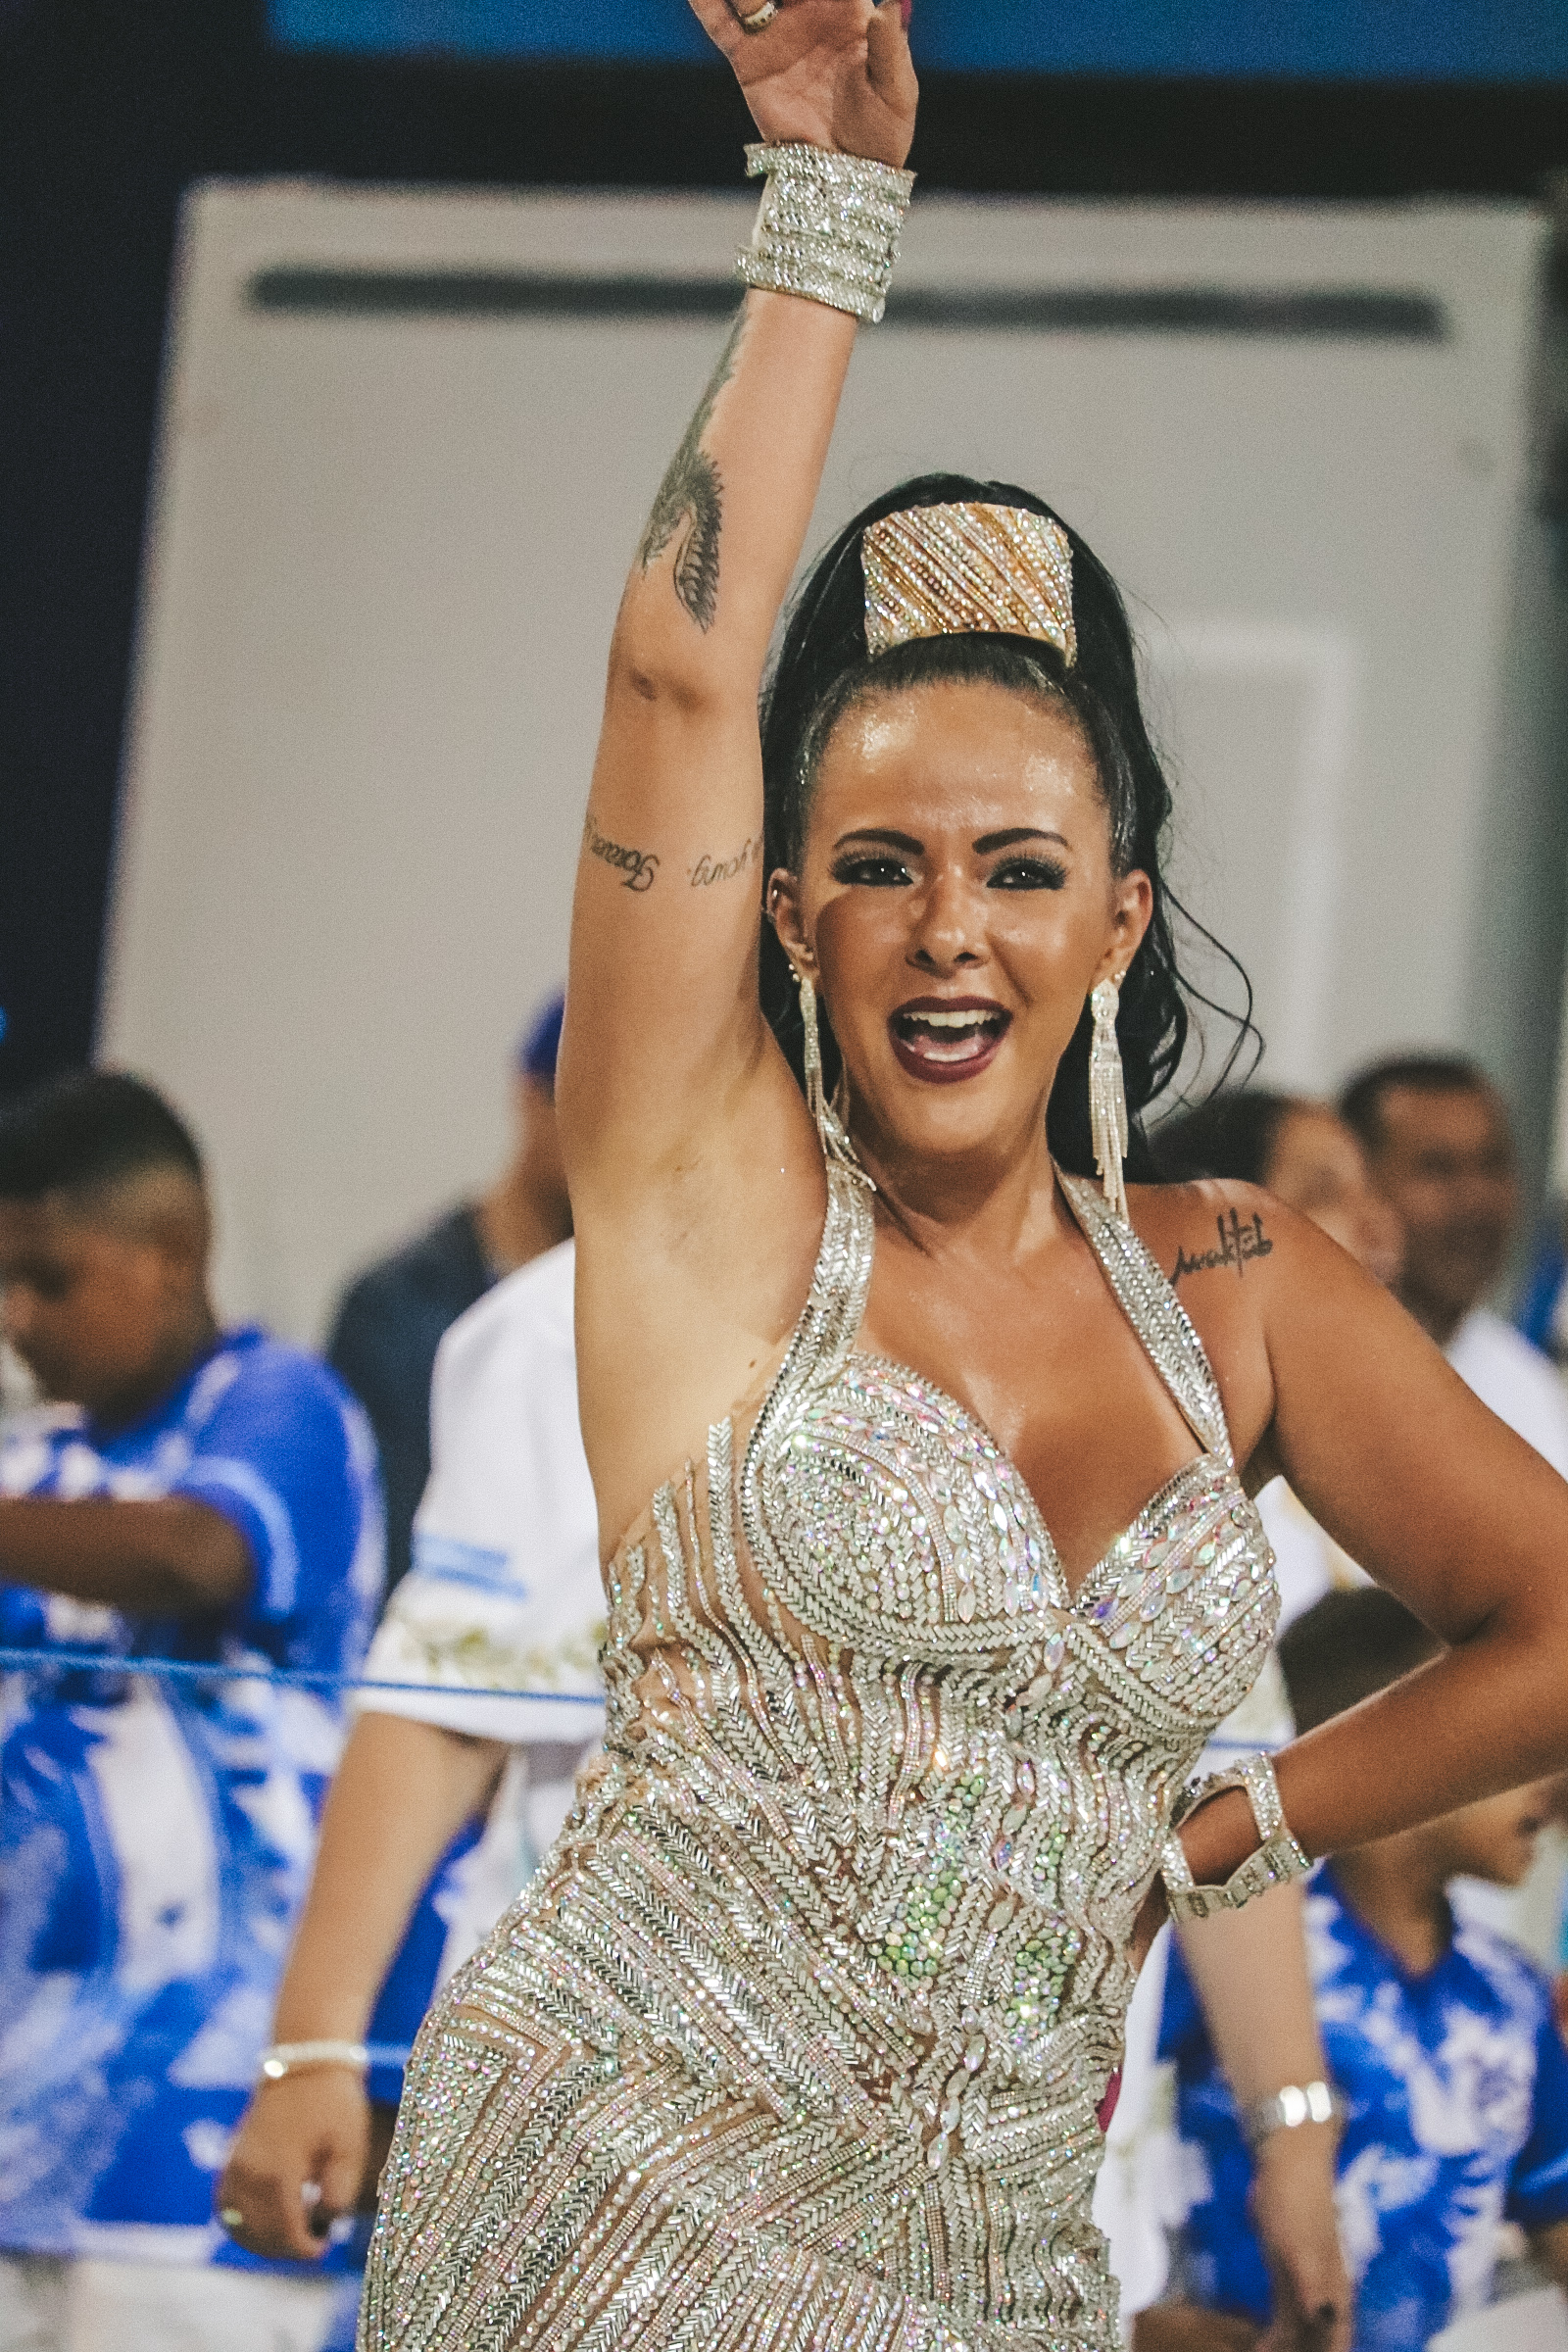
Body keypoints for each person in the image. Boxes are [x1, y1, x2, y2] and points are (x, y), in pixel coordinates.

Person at [359, 9, 1568, 2347]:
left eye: (1018, 868)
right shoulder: (706, 1195)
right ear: (784, 917)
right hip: (606, 2207)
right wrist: (826, 203)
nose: (947, 924)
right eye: (877, 863)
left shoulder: (1232, 1283)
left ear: (1114, 922)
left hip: (996, 2258)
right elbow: (678, 685)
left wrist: (1233, 1830)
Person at [0, 1070, 381, 2352]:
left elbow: (197, 1554)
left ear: (168, 1253)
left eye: (47, 1278)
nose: (16, 1319)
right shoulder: (30, 1462)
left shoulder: (281, 1407)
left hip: (204, 2146)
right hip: (20, 2123)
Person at [215, 1237, 604, 2269]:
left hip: (981, 2114)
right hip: (604, 2101)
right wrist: (311, 2049)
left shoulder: (1052, 1292)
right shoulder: (572, 1318)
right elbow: (445, 1703)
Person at [1155, 1589, 1568, 2352]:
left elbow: (1554, 2206)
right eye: (1509, 1730)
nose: (1548, 1771)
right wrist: (1130, 2325)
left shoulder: (1514, 1994)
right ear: (1383, 1748)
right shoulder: (1233, 1955)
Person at [326, 993, 569, 1594]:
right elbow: (383, 1547)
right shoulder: (395, 1308)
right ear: (531, 1097)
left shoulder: (641, 1322)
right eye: (599, 1109)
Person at [1153, 1089, 1401, 1626]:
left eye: (1375, 1191)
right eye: (1325, 1193)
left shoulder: (1396, 1440)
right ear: (1221, 1235)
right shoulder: (1176, 1471)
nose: (1379, 1224)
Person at [1340, 1054, 1568, 1481]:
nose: (1475, 1200)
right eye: (1438, 1168)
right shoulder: (1307, 1371)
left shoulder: (1528, 1386)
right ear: (1358, 1184)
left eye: (1493, 1164)